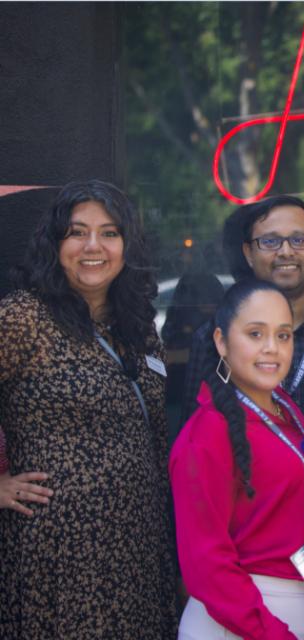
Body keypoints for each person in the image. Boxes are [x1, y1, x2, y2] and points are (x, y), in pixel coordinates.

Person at [0, 180, 178, 637]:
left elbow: (154, 434)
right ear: (55, 243)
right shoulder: (24, 318)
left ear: (126, 245)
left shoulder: (138, 328)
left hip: (138, 546)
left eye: (109, 232)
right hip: (58, 555)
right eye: (77, 232)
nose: (93, 246)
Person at [172, 280, 304, 639]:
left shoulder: (286, 410)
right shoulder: (208, 431)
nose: (271, 349)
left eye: (283, 335)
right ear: (221, 341)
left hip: (299, 611)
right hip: (241, 625)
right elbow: (206, 562)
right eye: (255, 333)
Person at [181, 195, 304, 425]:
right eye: (270, 242)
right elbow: (195, 435)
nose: (286, 251)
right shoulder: (215, 338)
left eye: (299, 240)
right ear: (248, 253)